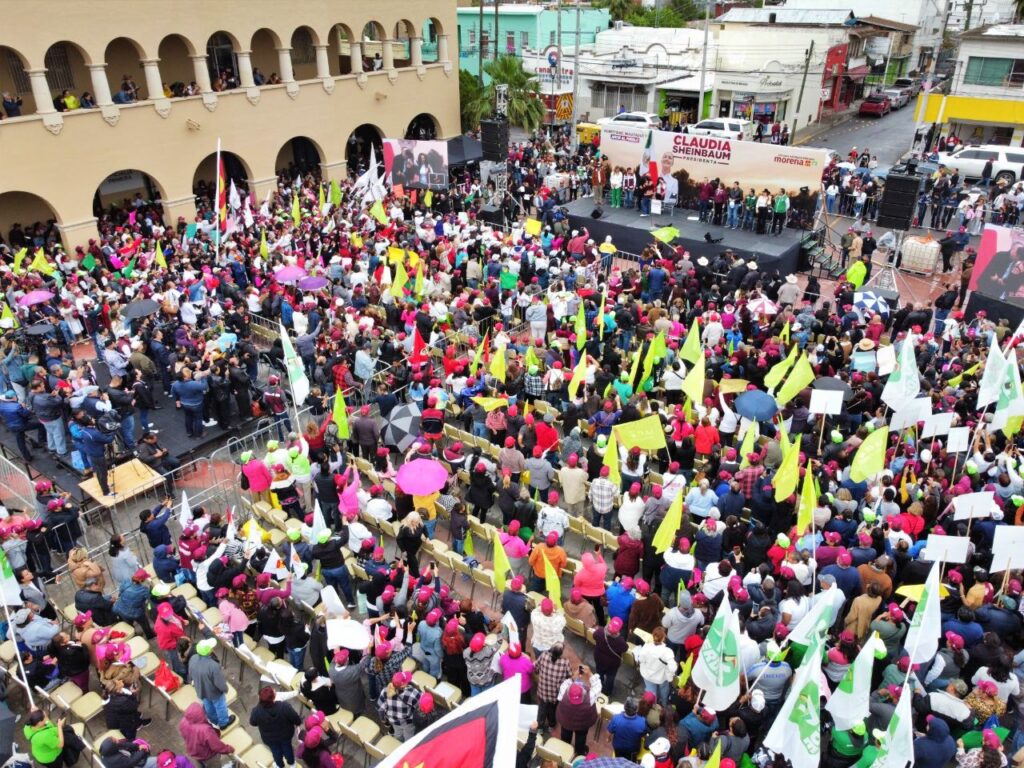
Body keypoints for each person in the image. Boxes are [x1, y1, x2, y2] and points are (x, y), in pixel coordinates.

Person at [187, 638, 236, 730]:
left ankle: (214, 720)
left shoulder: (193, 659)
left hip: (201, 689)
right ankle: (223, 723)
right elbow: (220, 683)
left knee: (208, 705)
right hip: (214, 692)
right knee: (220, 707)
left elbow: (190, 674)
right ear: (209, 651)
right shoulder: (213, 665)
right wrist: (225, 689)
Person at [248, 686, 302, 768]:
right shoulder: (284, 706)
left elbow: (253, 722)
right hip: (285, 735)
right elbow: (296, 719)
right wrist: (297, 723)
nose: (275, 691)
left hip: (269, 739)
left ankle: (279, 765)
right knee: (287, 748)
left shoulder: (256, 711)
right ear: (273, 698)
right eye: (274, 692)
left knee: (275, 751)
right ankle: (292, 764)